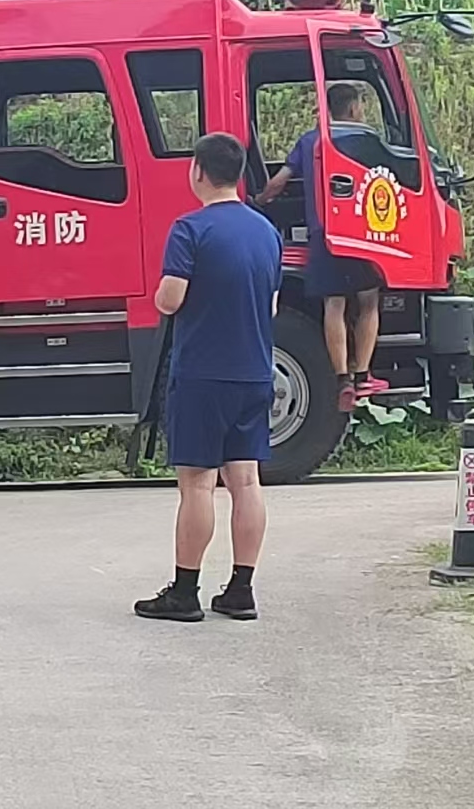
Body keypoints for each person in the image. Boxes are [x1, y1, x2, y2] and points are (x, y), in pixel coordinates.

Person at [137, 133, 283, 623]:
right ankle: (241, 589)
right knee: (245, 481)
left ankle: (184, 591)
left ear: (198, 171)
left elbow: (171, 299)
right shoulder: (266, 232)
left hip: (203, 374)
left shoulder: (189, 229)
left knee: (197, 485)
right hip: (255, 372)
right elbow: (272, 303)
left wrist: (160, 294)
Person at [254, 82, 388, 412]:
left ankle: (341, 377)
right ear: (355, 108)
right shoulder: (366, 141)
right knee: (368, 302)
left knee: (334, 305)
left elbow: (279, 181)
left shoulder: (310, 141)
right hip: (361, 235)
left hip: (324, 235)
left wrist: (258, 201)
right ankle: (362, 375)